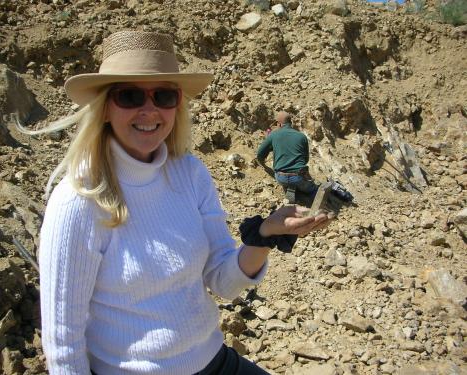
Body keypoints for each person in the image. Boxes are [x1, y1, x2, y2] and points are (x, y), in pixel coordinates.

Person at [22, 31, 333, 375]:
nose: (149, 110)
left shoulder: (189, 173)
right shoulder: (78, 200)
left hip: (214, 360)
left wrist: (265, 234)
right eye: (129, 96)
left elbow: (223, 281)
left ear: (177, 104)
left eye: (164, 95)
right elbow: (64, 341)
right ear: (105, 108)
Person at [256, 111, 317, 203]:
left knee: (289, 181)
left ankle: (291, 188)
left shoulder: (273, 135)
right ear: (290, 123)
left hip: (281, 177)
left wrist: (262, 163)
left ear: (279, 124)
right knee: (313, 188)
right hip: (298, 177)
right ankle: (311, 199)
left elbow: (260, 154)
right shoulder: (301, 136)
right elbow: (305, 160)